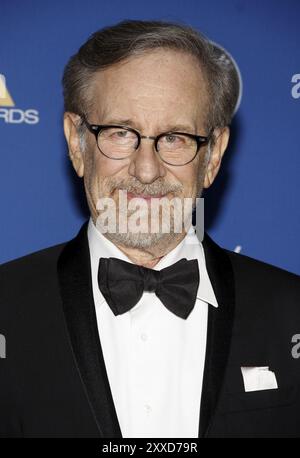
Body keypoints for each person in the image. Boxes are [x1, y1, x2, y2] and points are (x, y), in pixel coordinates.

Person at [0, 19, 299, 439]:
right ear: (76, 143)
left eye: (175, 137)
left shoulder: (291, 310)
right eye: (121, 133)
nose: (146, 169)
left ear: (212, 156)